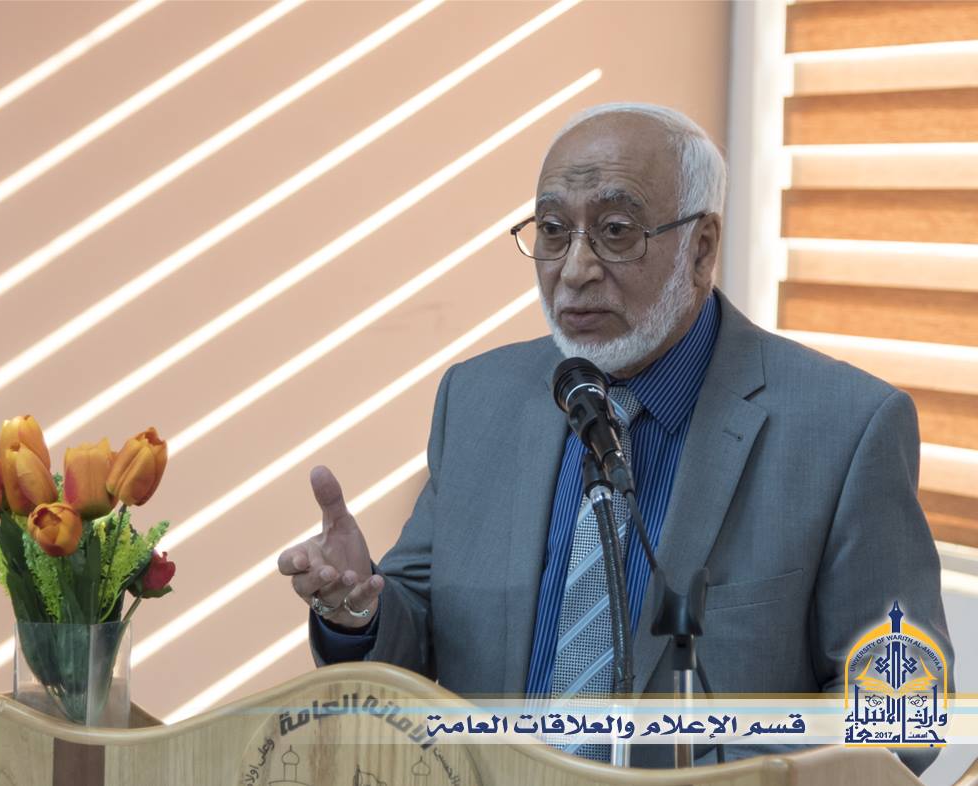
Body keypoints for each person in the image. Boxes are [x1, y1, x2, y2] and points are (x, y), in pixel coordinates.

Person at [275, 103, 953, 772]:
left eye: (616, 231)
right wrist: (361, 612)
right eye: (552, 231)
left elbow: (901, 718)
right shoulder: (478, 401)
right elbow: (419, 633)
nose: (574, 269)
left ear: (701, 248)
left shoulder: (845, 428)